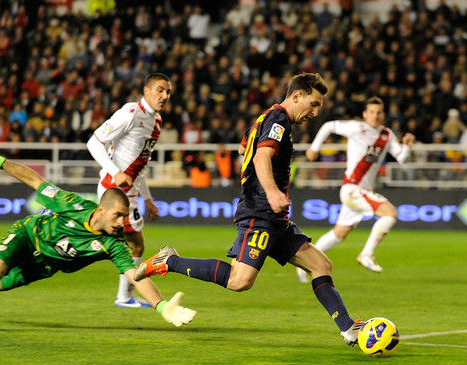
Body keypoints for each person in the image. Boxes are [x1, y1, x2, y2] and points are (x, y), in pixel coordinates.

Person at [134, 73, 365, 347]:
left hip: (275, 218)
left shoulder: (265, 118)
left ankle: (348, 328)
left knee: (320, 264)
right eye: (313, 104)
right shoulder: (278, 119)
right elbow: (261, 155)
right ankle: (169, 261)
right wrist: (270, 191)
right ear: (296, 96)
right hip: (261, 213)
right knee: (239, 280)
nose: (315, 112)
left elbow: (246, 147)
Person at [0, 130, 195, 332]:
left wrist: (161, 306)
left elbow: (135, 276)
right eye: (118, 215)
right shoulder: (71, 203)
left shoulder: (114, 243)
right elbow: (34, 179)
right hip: (28, 237)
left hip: (45, 265)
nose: (121, 222)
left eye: (124, 217)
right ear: (100, 210)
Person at [296, 96, 416, 279]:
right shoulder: (357, 128)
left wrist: (407, 146)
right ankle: (366, 254)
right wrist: (314, 148)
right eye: (372, 112)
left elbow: (402, 159)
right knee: (390, 213)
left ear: (383, 114)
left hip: (360, 191)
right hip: (353, 188)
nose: (375, 116)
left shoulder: (387, 135)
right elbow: (328, 126)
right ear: (365, 114)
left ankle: (303, 263)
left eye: (379, 112)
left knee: (339, 233)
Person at [86, 73, 171, 308]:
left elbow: (139, 165)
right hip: (115, 189)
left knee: (117, 240)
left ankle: (125, 296)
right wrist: (114, 171)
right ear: (146, 91)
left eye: (168, 92)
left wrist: (148, 199)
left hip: (130, 191)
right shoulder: (130, 114)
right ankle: (124, 297)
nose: (164, 96)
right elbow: (94, 142)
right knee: (130, 242)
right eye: (159, 90)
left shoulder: (156, 122)